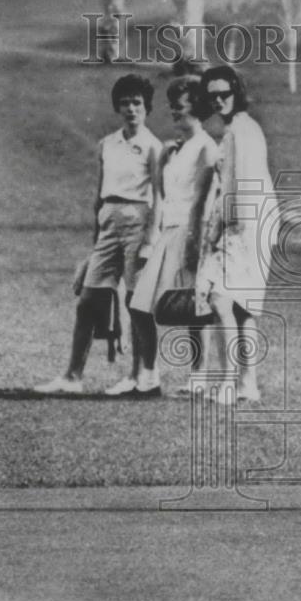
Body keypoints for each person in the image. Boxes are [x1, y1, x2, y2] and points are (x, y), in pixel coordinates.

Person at [35, 74, 163, 395]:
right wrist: (93, 249)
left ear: (146, 107)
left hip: (139, 220)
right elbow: (98, 197)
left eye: (136, 103)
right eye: (125, 103)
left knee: (136, 302)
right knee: (88, 301)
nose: (131, 109)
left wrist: (149, 239)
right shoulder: (107, 144)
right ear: (117, 107)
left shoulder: (153, 147)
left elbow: (159, 198)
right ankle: (72, 377)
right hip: (109, 221)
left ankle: (138, 376)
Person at [128, 76, 218, 396]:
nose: (173, 110)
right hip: (168, 232)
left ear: (196, 105)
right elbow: (161, 194)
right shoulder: (175, 149)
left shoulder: (208, 148)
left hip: (192, 232)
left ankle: (198, 378)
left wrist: (196, 242)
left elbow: (201, 201)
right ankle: (149, 378)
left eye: (179, 104)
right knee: (140, 305)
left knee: (194, 309)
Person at [195, 66, 276, 404]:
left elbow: (239, 186)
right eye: (213, 96)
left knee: (220, 299)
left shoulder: (239, 132)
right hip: (258, 221)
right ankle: (247, 384)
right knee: (244, 309)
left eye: (224, 94)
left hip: (246, 223)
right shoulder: (242, 128)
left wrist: (220, 230)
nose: (218, 101)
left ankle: (229, 382)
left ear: (236, 94)